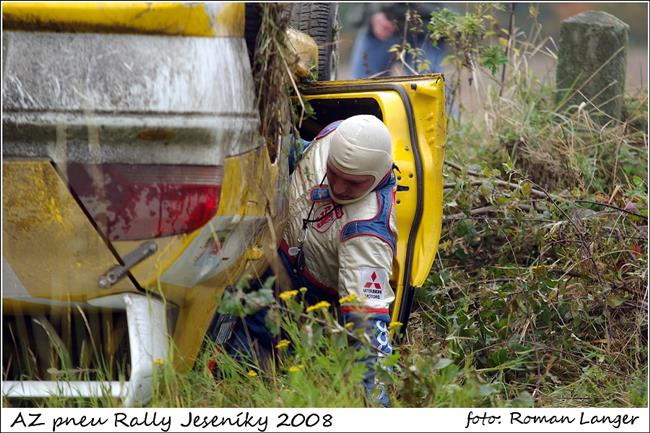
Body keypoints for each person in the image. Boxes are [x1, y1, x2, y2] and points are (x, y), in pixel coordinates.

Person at [214, 115, 397, 406]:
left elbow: (368, 332)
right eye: (333, 173)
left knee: (268, 375)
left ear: (376, 177)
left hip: (313, 300)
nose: (338, 187)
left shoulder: (368, 232)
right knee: (231, 364)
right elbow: (289, 150)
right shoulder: (330, 137)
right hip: (273, 260)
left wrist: (376, 407)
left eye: (352, 183)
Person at [349, 3, 446, 79]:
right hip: (379, 29)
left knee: (428, 87)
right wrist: (373, 13)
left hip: (426, 26)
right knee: (363, 88)